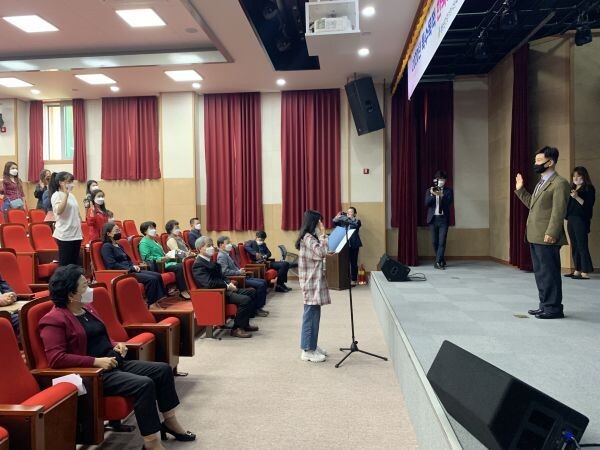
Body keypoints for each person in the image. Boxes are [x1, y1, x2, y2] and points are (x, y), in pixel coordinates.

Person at [38, 265, 195, 450]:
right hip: (94, 374)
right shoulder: (54, 319)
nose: (90, 289)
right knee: (144, 384)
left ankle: (170, 422)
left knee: (163, 370)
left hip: (112, 361)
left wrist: (115, 344)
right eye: (84, 286)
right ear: (71, 294)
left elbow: (99, 335)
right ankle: (151, 443)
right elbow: (56, 358)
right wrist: (95, 361)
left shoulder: (86, 309)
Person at [515, 146, 570, 319]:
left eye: (539, 160)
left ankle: (554, 308)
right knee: (540, 273)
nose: (536, 163)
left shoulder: (560, 183)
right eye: (535, 160)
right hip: (535, 235)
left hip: (547, 235)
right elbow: (532, 205)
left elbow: (559, 211)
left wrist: (552, 232)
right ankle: (544, 305)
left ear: (550, 162)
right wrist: (520, 189)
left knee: (549, 273)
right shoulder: (541, 182)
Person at [193, 236, 258, 338]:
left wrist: (229, 283)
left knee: (251, 292)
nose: (212, 248)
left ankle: (244, 324)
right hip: (215, 294)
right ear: (200, 248)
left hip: (223, 290)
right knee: (245, 300)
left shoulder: (209, 261)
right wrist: (227, 286)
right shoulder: (198, 264)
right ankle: (237, 329)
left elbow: (222, 276)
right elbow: (208, 283)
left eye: (212, 245)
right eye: (208, 246)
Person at [101, 223, 167, 305]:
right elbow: (112, 264)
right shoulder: (106, 247)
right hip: (122, 273)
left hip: (130, 270)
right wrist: (131, 268)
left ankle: (159, 300)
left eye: (119, 230)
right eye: (116, 230)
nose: (119, 232)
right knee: (152, 279)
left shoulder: (119, 245)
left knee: (157, 275)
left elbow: (127, 259)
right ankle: (152, 304)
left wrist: (133, 266)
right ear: (108, 234)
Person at [296, 210, 330, 363]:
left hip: (313, 281)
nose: (321, 224)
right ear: (314, 222)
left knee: (315, 314)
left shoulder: (310, 237)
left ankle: (312, 345)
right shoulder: (308, 237)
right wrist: (323, 234)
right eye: (319, 222)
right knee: (310, 316)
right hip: (310, 282)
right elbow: (321, 252)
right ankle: (307, 350)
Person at [217, 235, 269, 317]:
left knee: (263, 282)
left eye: (230, 242)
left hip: (241, 275)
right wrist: (238, 272)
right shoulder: (221, 256)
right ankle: (256, 309)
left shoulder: (227, 254)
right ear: (221, 245)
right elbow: (224, 272)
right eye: (227, 243)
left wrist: (240, 270)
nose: (230, 244)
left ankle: (259, 307)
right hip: (237, 278)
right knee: (261, 285)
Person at [138, 221, 190, 300]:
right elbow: (146, 258)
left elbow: (161, 253)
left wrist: (167, 256)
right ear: (145, 231)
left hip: (166, 261)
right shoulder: (144, 242)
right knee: (179, 267)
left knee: (184, 263)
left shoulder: (154, 240)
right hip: (159, 264)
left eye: (154, 228)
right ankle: (182, 291)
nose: (154, 230)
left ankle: (185, 288)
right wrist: (160, 258)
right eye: (151, 228)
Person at [565, 166, 595, 280]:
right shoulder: (572, 188)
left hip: (581, 219)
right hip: (571, 219)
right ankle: (577, 270)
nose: (575, 178)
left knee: (582, 245)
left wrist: (577, 197)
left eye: (578, 176)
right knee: (574, 245)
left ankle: (585, 272)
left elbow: (588, 206)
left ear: (584, 176)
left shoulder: (589, 188)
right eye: (574, 176)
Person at [49, 171, 83, 266]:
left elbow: (77, 214)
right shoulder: (57, 195)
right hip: (65, 235)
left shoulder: (72, 196)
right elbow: (59, 211)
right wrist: (66, 195)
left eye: (72, 181)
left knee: (75, 265)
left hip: (76, 234)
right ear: (61, 182)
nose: (71, 184)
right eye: (69, 182)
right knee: (65, 265)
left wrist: (80, 231)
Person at [425, 170, 454, 270]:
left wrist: (440, 194)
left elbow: (448, 202)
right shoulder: (430, 190)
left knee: (442, 242)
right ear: (435, 180)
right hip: (433, 219)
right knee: (434, 242)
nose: (440, 180)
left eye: (442, 179)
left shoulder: (449, 191)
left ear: (445, 180)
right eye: (438, 179)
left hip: (443, 220)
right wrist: (434, 195)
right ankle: (441, 259)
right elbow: (427, 203)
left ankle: (437, 262)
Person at [333, 207, 363, 286]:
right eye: (348, 212)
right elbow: (334, 222)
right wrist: (337, 217)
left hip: (354, 244)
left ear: (355, 214)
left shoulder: (357, 221)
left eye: (351, 212)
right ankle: (345, 279)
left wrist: (348, 218)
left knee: (353, 262)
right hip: (344, 245)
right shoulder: (343, 221)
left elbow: (356, 225)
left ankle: (353, 279)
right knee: (344, 262)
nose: (349, 213)